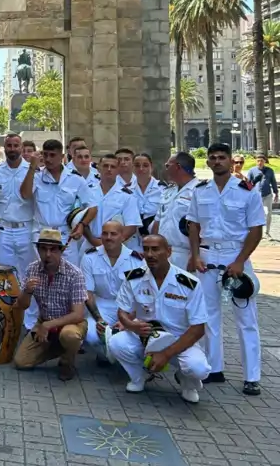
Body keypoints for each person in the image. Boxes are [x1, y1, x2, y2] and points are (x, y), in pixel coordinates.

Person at [187, 142, 264, 396]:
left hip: (235, 255)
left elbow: (256, 230)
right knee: (209, 316)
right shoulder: (201, 191)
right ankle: (214, 368)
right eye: (213, 157)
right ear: (207, 162)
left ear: (230, 161)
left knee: (246, 319)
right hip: (208, 256)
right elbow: (194, 225)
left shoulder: (247, 191)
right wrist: (196, 254)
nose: (217, 161)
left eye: (222, 157)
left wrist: (241, 261)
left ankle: (251, 376)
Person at [108, 235, 210, 403]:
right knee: (116, 343)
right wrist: (130, 325)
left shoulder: (189, 283)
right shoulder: (134, 278)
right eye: (146, 249)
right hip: (145, 335)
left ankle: (187, 383)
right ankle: (139, 377)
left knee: (198, 368)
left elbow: (198, 328)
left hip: (179, 339)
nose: (149, 254)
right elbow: (123, 312)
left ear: (168, 252)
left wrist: (166, 354)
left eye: (155, 249)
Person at [13, 228, 88, 381]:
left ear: (61, 250)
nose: (48, 254)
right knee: (21, 362)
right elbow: (21, 306)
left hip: (70, 323)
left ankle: (67, 361)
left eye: (53, 249)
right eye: (44, 249)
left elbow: (78, 314)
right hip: (45, 321)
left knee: (70, 336)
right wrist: (26, 291)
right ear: (38, 250)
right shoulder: (32, 268)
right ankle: (61, 347)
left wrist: (48, 325)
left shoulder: (74, 273)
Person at [21, 139, 97, 267]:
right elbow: (25, 194)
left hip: (65, 235)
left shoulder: (75, 178)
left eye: (52, 155)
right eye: (45, 155)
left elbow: (92, 207)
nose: (48, 159)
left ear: (61, 157)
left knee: (69, 273)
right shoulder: (36, 176)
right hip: (41, 233)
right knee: (40, 274)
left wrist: (82, 225)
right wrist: (32, 168)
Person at [82, 220, 145, 363]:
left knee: (133, 334)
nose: (108, 237)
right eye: (105, 233)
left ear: (123, 237)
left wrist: (127, 321)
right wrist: (99, 319)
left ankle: (122, 355)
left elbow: (140, 297)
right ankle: (105, 354)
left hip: (128, 307)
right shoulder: (90, 257)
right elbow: (88, 293)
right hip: (101, 304)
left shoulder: (136, 261)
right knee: (91, 334)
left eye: (113, 234)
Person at [0, 134, 34, 305]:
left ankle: (29, 317)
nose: (12, 149)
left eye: (16, 145)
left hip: (26, 229)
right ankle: (6, 312)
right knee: (5, 274)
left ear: (21, 147)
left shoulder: (33, 171)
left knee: (28, 274)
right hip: (2, 229)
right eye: (9, 146)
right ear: (4, 148)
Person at [82, 154, 140, 252]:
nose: (109, 169)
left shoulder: (127, 196)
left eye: (113, 167)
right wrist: (93, 240)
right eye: (105, 166)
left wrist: (111, 243)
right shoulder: (87, 191)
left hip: (117, 247)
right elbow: (80, 220)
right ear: (99, 168)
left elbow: (131, 227)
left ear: (118, 170)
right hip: (90, 244)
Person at [152, 152, 198, 269]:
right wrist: (152, 248)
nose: (165, 169)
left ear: (177, 167)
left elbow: (201, 225)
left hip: (185, 253)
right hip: (162, 251)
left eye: (168, 166)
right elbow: (158, 221)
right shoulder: (169, 191)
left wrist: (195, 255)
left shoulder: (199, 191)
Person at [132, 153, 166, 241]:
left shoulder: (162, 189)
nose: (141, 169)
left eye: (145, 165)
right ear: (133, 168)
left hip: (156, 236)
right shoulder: (127, 190)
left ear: (152, 167)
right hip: (132, 237)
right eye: (137, 165)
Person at [247, 154, 277, 238]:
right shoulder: (251, 171)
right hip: (255, 196)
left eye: (261, 161)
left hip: (267, 195)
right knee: (255, 215)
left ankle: (266, 232)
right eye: (258, 161)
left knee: (268, 214)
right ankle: (255, 232)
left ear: (265, 161)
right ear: (256, 161)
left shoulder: (269, 170)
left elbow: (273, 182)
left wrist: (276, 193)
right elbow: (248, 184)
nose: (260, 163)